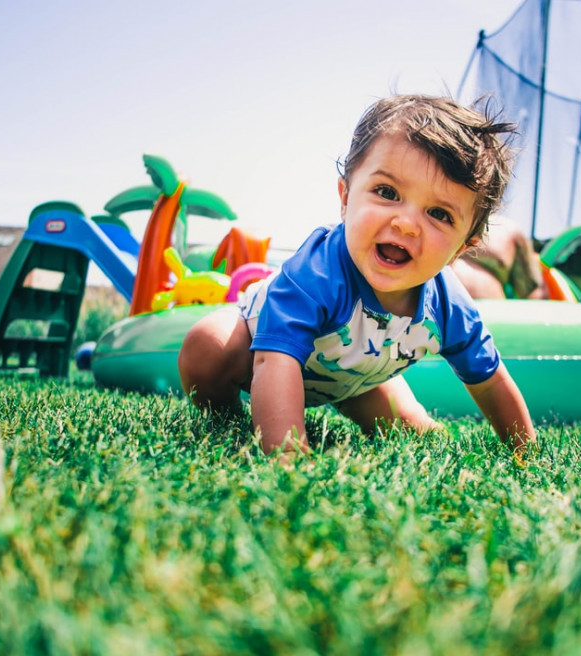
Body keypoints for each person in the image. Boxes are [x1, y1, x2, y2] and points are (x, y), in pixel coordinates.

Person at [178, 94, 536, 461]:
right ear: (346, 197)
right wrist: (287, 458)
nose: (406, 223)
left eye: (439, 214)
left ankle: (409, 420)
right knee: (207, 346)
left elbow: (491, 380)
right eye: (387, 193)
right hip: (260, 348)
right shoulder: (318, 272)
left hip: (355, 377)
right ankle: (225, 416)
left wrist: (527, 454)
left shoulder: (448, 304)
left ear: (462, 247)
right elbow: (274, 361)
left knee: (412, 432)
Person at [451, 218, 548, 300]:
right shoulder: (445, 217)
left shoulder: (508, 229)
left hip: (490, 316)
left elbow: (534, 293)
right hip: (440, 312)